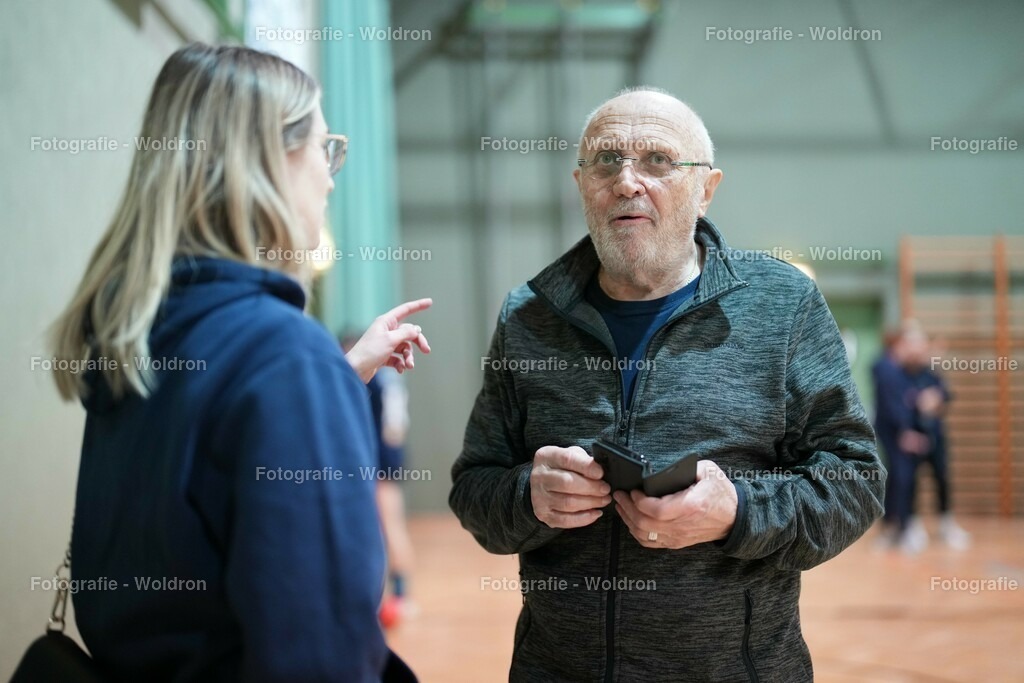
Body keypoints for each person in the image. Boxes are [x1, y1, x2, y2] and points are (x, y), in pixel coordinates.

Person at [450, 87, 885, 681]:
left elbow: (855, 480)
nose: (627, 181)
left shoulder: (783, 305)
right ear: (581, 184)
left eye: (657, 160)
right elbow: (474, 488)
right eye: (607, 161)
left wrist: (738, 511)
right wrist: (529, 496)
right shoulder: (528, 316)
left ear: (706, 189)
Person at [49, 43, 428, 682]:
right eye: (323, 147)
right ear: (270, 161)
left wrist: (332, 376)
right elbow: (320, 657)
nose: (331, 175)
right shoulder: (283, 358)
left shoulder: (138, 334)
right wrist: (312, 376)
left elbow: (206, 483)